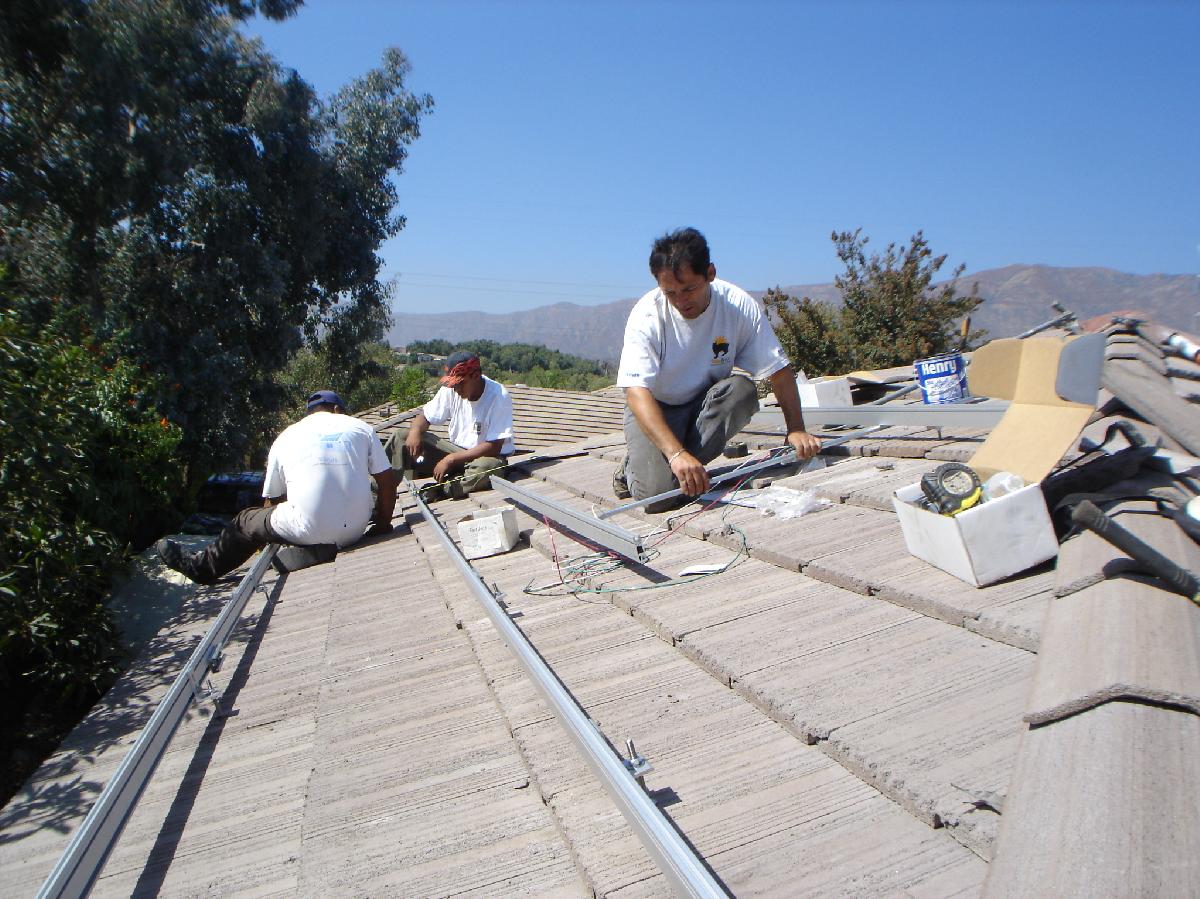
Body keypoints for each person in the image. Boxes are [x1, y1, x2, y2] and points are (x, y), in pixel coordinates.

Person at [615, 227, 821, 512]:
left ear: (710, 273)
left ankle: (674, 465)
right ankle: (635, 468)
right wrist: (676, 454)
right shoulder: (647, 315)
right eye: (670, 293)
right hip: (656, 408)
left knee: (742, 390)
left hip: (705, 407)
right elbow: (636, 392)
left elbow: (778, 370)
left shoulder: (737, 306)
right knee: (659, 499)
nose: (681, 301)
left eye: (689, 289)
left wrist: (796, 429)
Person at [157, 390, 397, 584]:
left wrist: (262, 539)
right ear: (337, 409)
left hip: (311, 528)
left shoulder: (286, 437)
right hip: (356, 528)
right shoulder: (361, 427)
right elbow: (387, 481)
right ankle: (323, 545)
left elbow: (272, 501)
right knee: (367, 489)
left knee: (246, 521)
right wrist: (383, 525)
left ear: (309, 413)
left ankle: (200, 568)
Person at [388, 350, 515, 500]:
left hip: (485, 457)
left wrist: (451, 459)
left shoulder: (498, 396)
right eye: (453, 385)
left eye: (460, 384)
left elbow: (494, 447)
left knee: (488, 467)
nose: (456, 389)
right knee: (401, 437)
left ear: (475, 375)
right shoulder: (451, 391)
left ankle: (442, 489)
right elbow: (424, 417)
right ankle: (379, 494)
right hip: (455, 452)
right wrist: (415, 431)